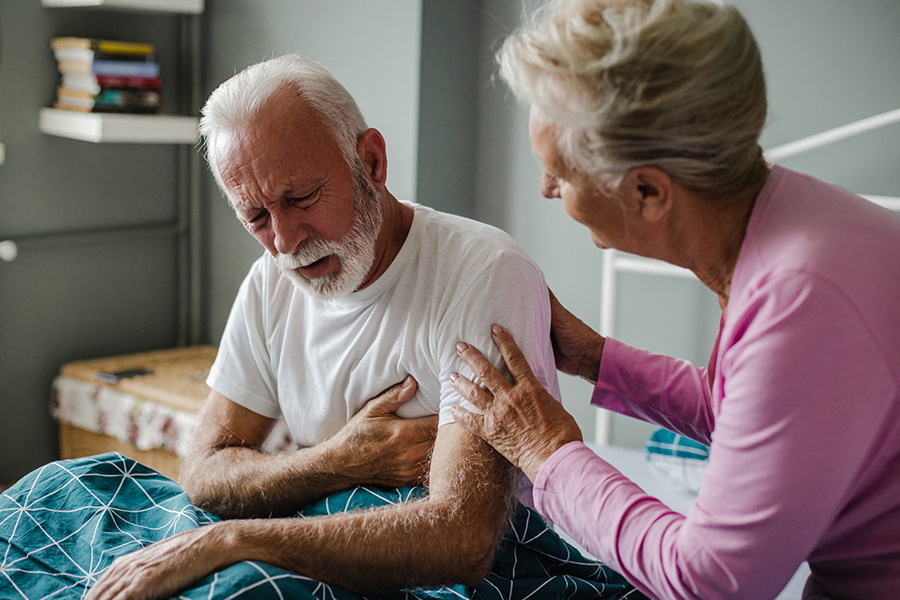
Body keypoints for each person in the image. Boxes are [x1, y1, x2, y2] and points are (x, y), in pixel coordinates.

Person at [77, 54, 607, 599]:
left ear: (371, 161)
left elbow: (462, 538)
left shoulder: (481, 274)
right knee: (72, 488)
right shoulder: (270, 282)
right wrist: (340, 460)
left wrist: (234, 540)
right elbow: (205, 473)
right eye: (255, 217)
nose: (284, 241)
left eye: (300, 199)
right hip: (320, 535)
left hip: (462, 571)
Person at [447, 0, 900, 599]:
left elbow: (710, 582)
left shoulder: (800, 302)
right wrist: (595, 358)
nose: (546, 190)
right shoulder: (790, 215)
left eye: (560, 172)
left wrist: (549, 453)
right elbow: (744, 412)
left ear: (647, 191)